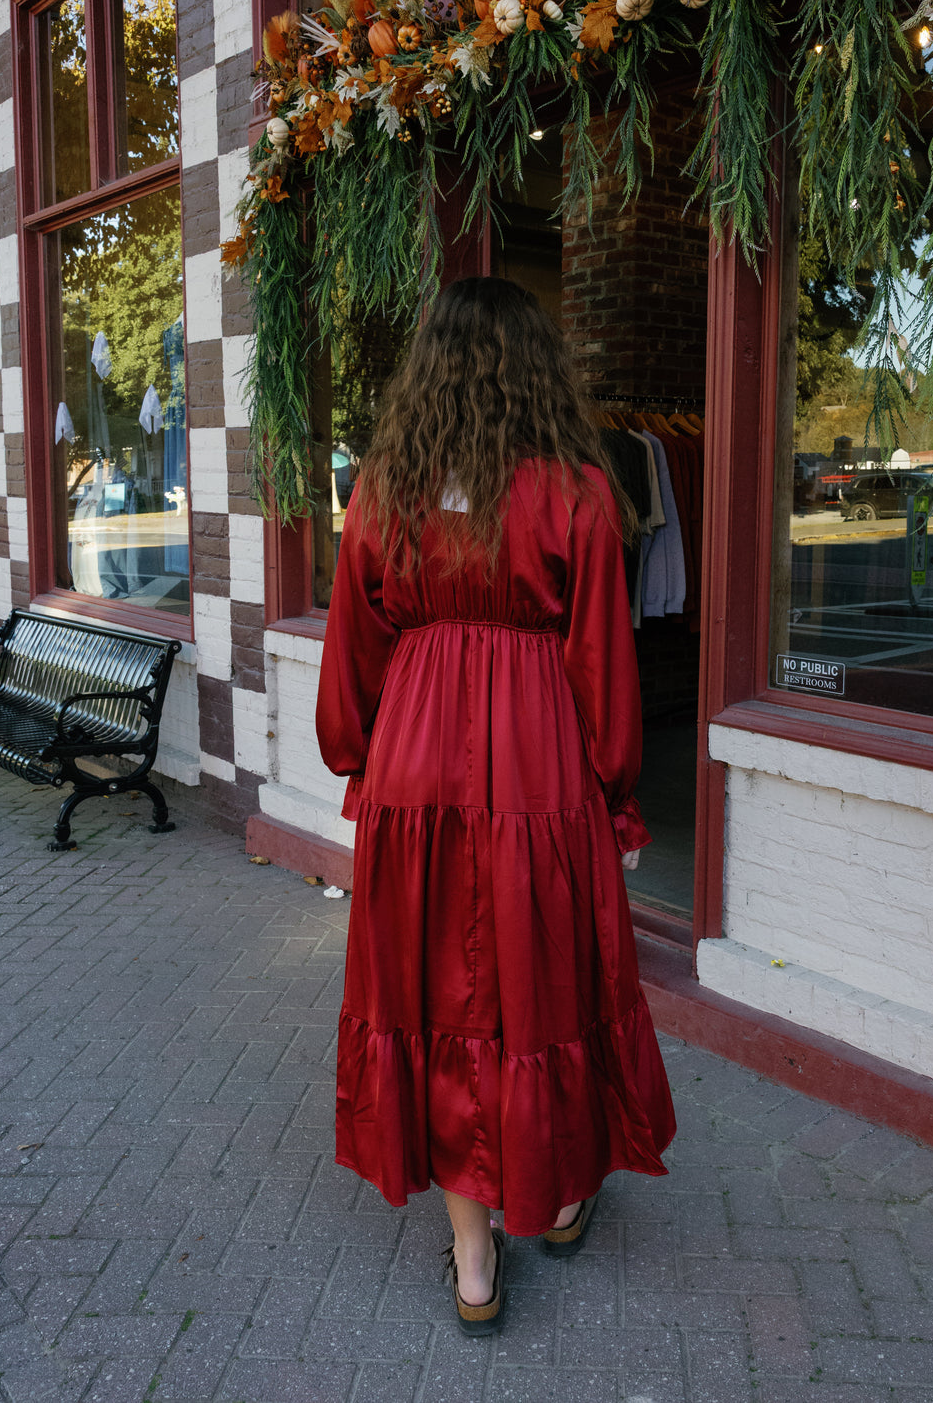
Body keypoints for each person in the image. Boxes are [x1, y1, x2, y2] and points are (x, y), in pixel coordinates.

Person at [316, 276, 676, 1335]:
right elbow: (606, 665)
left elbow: (352, 659)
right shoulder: (578, 493)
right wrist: (615, 797)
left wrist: (361, 765)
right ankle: (559, 1201)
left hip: (415, 770)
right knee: (540, 984)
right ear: (537, 372)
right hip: (539, 770)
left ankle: (473, 1264)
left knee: (434, 997)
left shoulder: (383, 491)